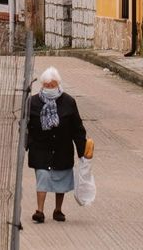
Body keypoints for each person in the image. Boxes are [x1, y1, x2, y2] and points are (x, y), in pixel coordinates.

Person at [26, 66, 87, 223]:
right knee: (43, 177)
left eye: (52, 85)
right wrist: (28, 143)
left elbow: (77, 128)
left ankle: (58, 210)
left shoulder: (68, 102)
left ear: (58, 84)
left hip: (62, 148)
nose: (49, 88)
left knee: (61, 177)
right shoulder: (32, 102)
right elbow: (25, 125)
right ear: (42, 85)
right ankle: (39, 211)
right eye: (46, 85)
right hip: (40, 147)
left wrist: (82, 150)